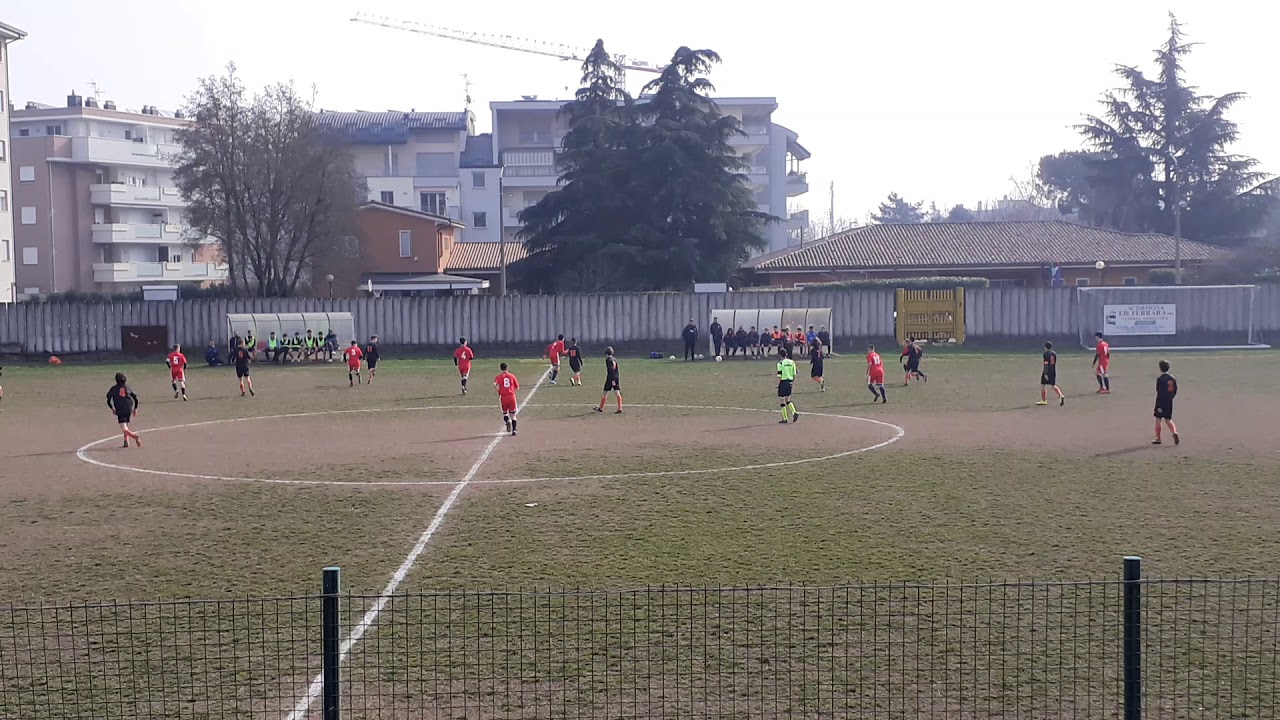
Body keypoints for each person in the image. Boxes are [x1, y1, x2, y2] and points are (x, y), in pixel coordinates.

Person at [106, 372, 142, 448]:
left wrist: (112, 408)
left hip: (120, 408)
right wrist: (135, 408)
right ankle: (126, 441)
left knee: (124, 428)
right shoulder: (128, 387)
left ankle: (134, 436)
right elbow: (136, 398)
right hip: (129, 407)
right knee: (126, 423)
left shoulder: (114, 389)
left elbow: (108, 399)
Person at [1153, 359, 1180, 445]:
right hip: (1169, 401)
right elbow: (1175, 390)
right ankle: (1174, 432)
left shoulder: (1160, 379)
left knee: (1158, 419)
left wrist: (1159, 405)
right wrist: (1170, 398)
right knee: (1168, 420)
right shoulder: (1173, 378)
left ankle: (1158, 438)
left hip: (1161, 401)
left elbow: (1159, 391)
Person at [594, 346, 624, 414]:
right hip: (616, 377)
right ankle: (620, 408)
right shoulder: (614, 359)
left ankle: (601, 408)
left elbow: (611, 370)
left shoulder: (608, 360)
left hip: (611, 377)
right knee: (617, 391)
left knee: (605, 392)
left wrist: (612, 379)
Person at [494, 362, 521, 436]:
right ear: (507, 368)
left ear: (500, 368)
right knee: (513, 415)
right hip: (511, 396)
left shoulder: (498, 377)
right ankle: (514, 430)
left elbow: (494, 384)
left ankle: (507, 421)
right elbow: (517, 387)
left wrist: (498, 391)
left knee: (505, 413)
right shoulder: (512, 376)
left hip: (503, 397)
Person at [1037, 341, 1065, 406]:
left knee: (1042, 385)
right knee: (1053, 385)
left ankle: (1043, 400)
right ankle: (1061, 395)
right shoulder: (1054, 354)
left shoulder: (1045, 354)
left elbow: (1046, 364)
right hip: (1053, 371)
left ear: (1045, 347)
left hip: (1047, 371)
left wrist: (1045, 373)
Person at [776, 348, 799, 423]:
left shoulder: (780, 363)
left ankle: (785, 418)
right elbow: (794, 373)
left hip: (783, 382)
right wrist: (792, 381)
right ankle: (794, 411)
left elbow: (779, 375)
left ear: (780, 355)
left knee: (782, 400)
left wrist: (778, 384)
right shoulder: (792, 362)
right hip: (790, 382)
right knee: (788, 400)